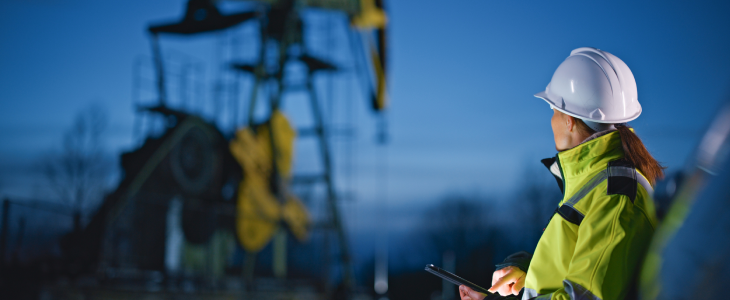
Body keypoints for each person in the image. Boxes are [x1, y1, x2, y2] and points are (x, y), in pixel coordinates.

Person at [460, 47, 663, 300]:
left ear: (569, 120)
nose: (552, 120)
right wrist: (528, 274)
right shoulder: (598, 184)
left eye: (554, 111)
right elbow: (581, 269)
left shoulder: (616, 195)